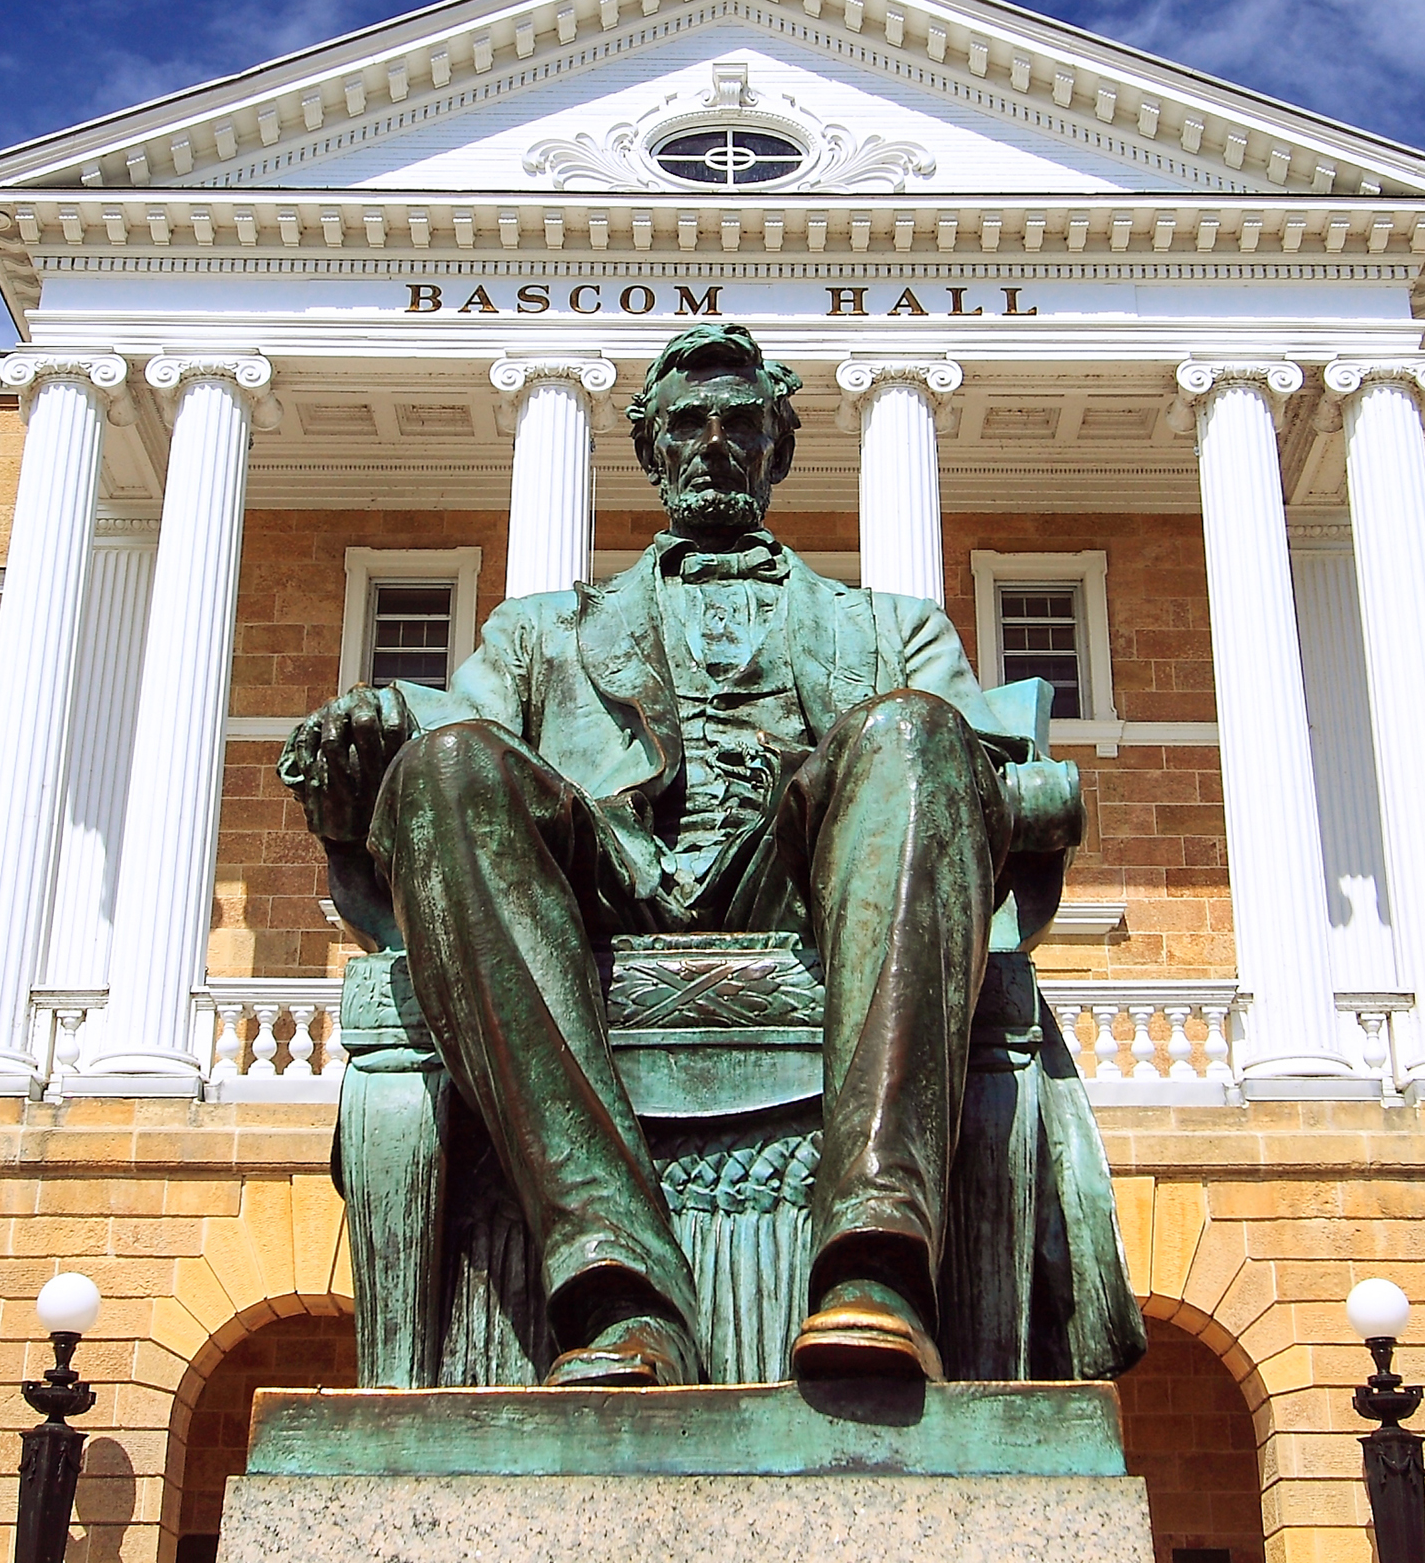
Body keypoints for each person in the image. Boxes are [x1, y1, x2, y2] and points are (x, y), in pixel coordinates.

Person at [280, 323, 1059, 1387]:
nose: (715, 445)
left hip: (803, 891)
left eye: (744, 425)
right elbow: (448, 769)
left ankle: (876, 1262)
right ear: (649, 453)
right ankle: (616, 1289)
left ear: (780, 452)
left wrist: (964, 761)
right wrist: (367, 749)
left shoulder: (893, 627)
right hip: (606, 889)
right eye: (688, 425)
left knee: (916, 730)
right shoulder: (540, 631)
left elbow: (1001, 784)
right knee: (452, 767)